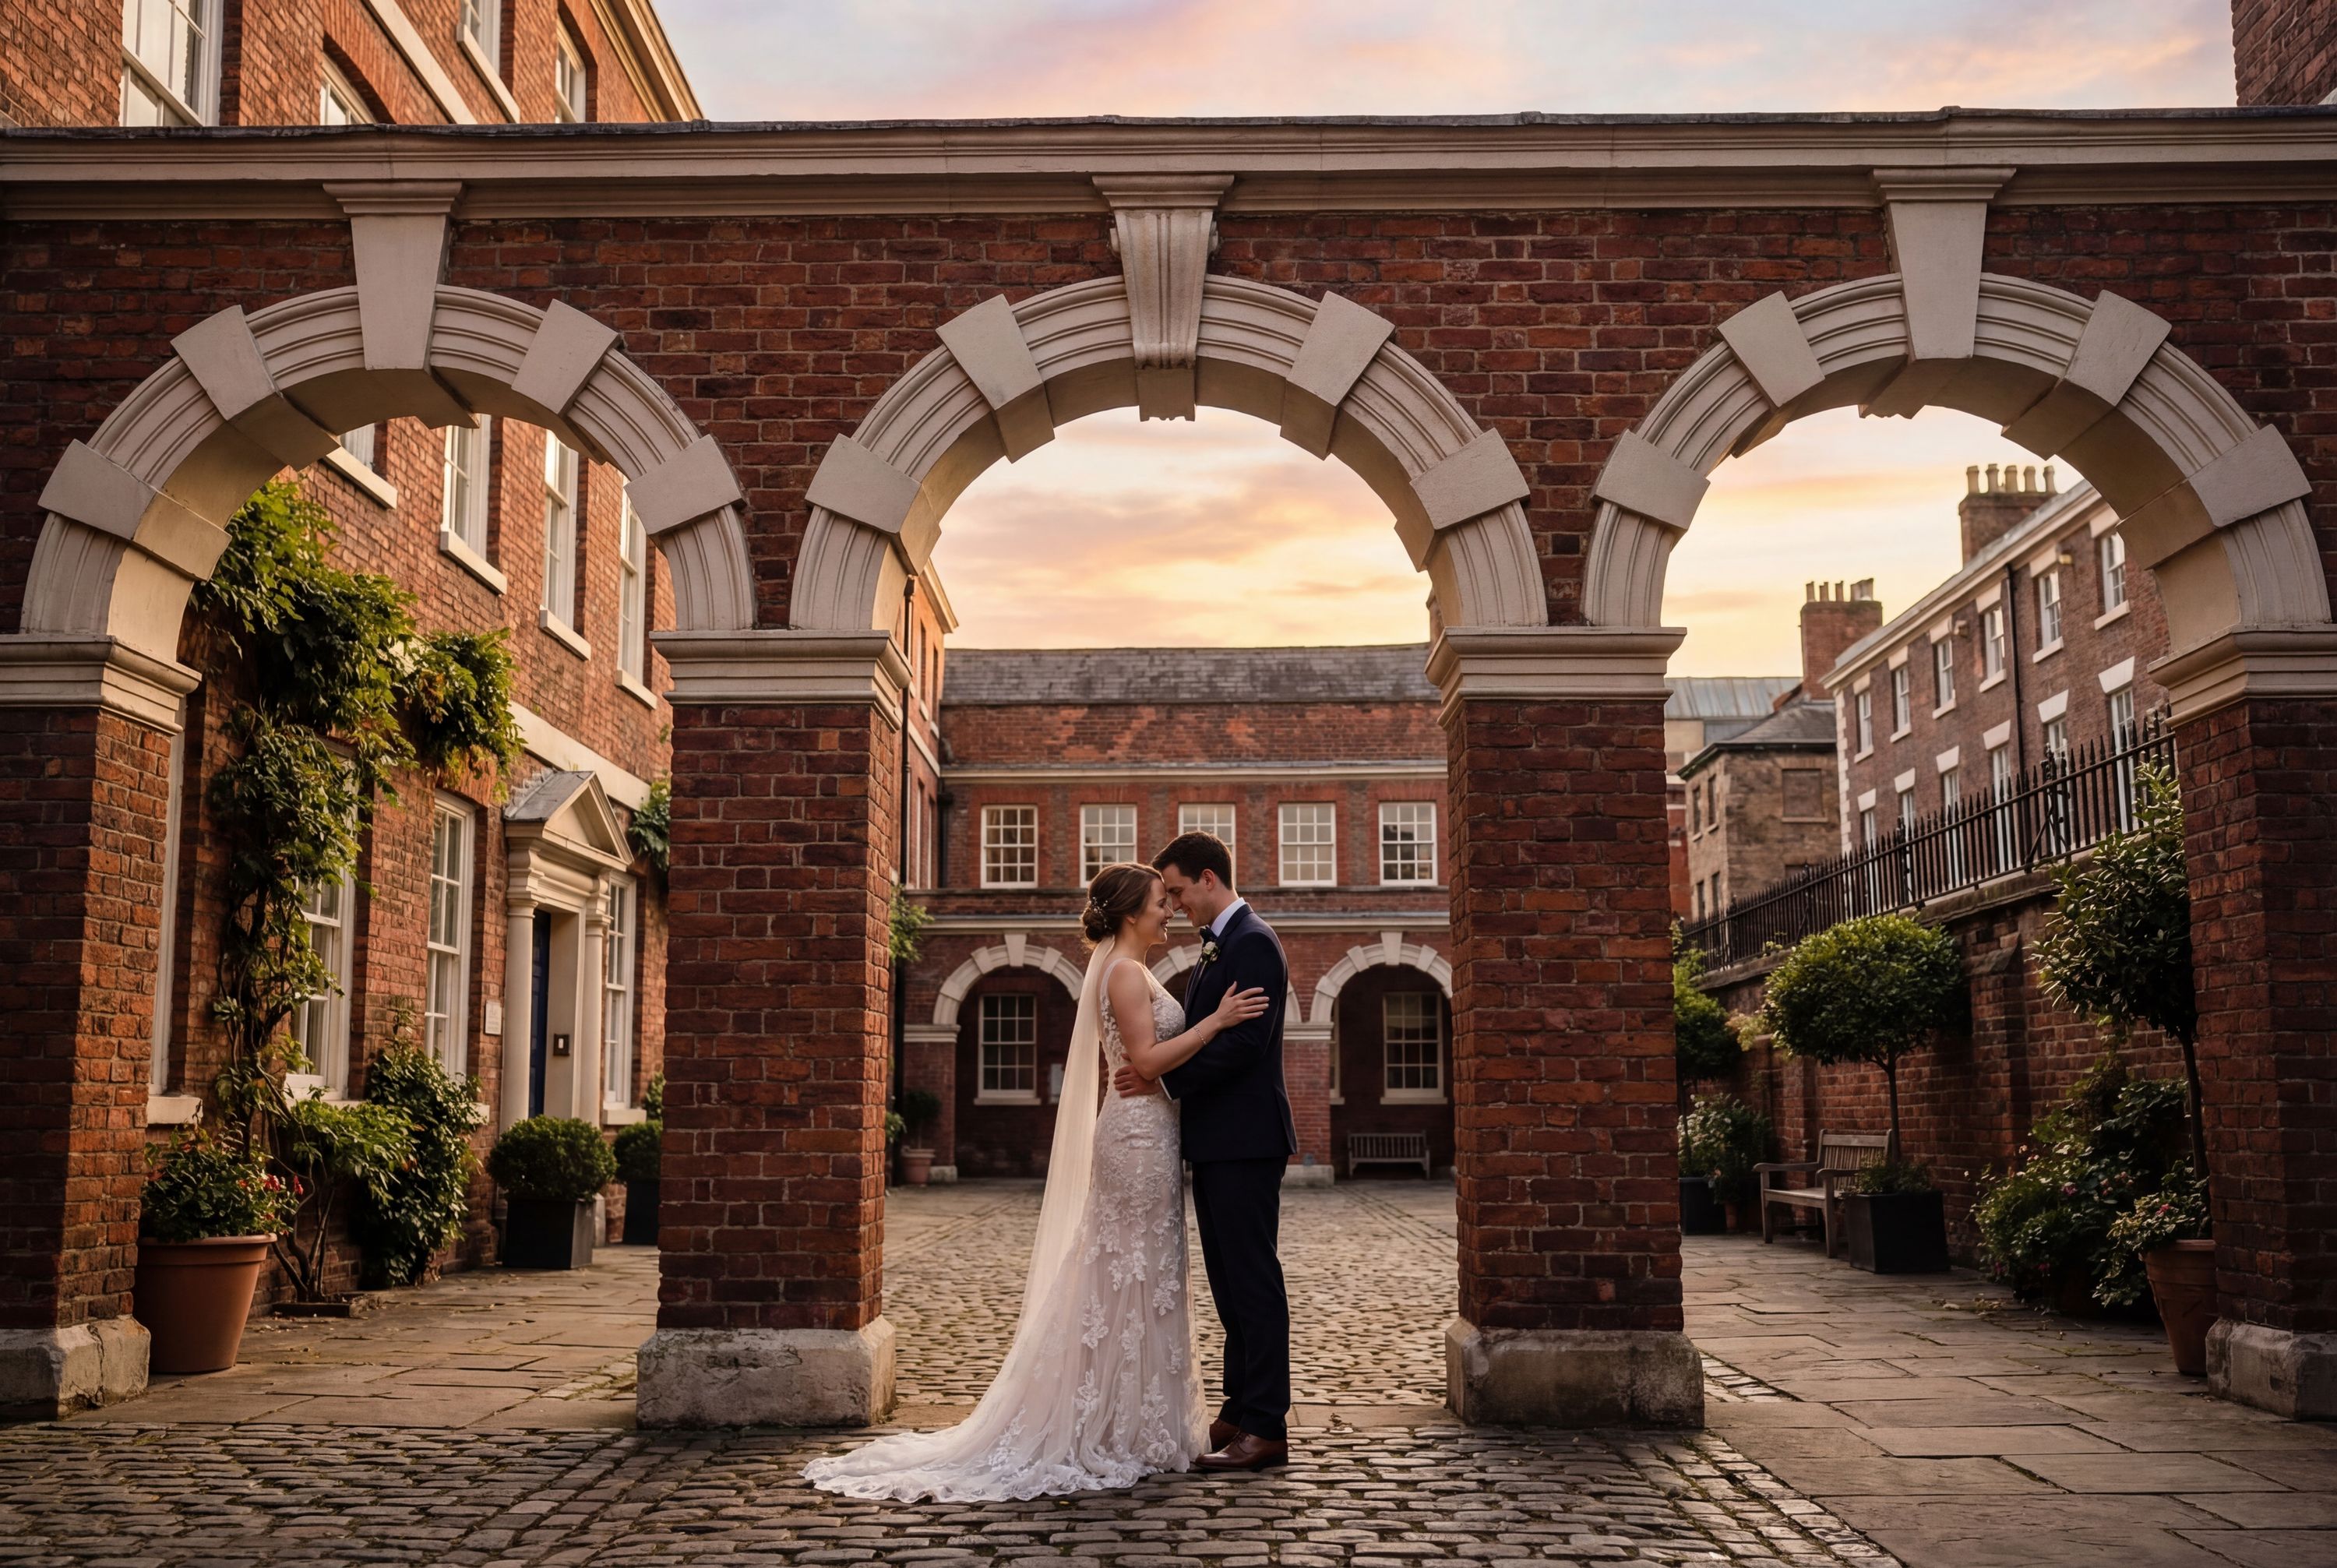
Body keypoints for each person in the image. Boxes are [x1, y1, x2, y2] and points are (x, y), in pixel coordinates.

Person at [802, 862, 1267, 1503]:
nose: (1170, 910)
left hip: (1151, 1131)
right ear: (1133, 913)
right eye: (1162, 901)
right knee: (1127, 1271)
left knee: (1144, 1273)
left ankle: (1134, 1419)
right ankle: (1109, 1424)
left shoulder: (1131, 970)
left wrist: (1170, 1062)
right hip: (1135, 1139)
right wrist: (1214, 1021)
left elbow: (1148, 1063)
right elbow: (1146, 1059)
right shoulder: (1127, 972)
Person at [1113, 830, 1298, 1473]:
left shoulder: (1251, 941)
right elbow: (1207, 1035)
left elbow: (1242, 1046)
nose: (1176, 902)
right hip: (1219, 1141)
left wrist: (1161, 1079)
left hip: (1247, 1140)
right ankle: (1239, 1407)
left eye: (1180, 890)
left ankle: (1267, 1425)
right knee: (1228, 1283)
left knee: (1253, 1281)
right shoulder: (1222, 944)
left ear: (1210, 879)